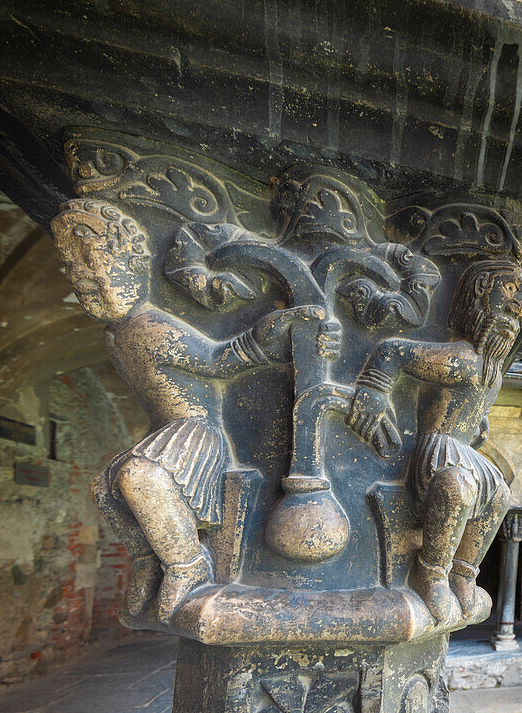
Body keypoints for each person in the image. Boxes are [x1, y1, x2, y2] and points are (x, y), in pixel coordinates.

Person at [52, 199, 331, 623]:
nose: (83, 277)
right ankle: (152, 562)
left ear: (135, 264)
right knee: (103, 489)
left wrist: (267, 334)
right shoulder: (117, 335)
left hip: (196, 434)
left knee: (140, 477)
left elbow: (221, 362)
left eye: (94, 263)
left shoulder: (151, 327)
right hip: (167, 434)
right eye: (72, 268)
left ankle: (188, 566)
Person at [347, 259, 522, 626]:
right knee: (456, 488)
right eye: (509, 289)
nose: (518, 305)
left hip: (465, 452)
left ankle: (463, 573)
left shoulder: (490, 369)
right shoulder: (462, 357)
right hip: (438, 453)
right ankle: (431, 573)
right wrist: (373, 390)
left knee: (501, 496)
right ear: (479, 295)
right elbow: (392, 352)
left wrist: (481, 423)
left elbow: (476, 411)